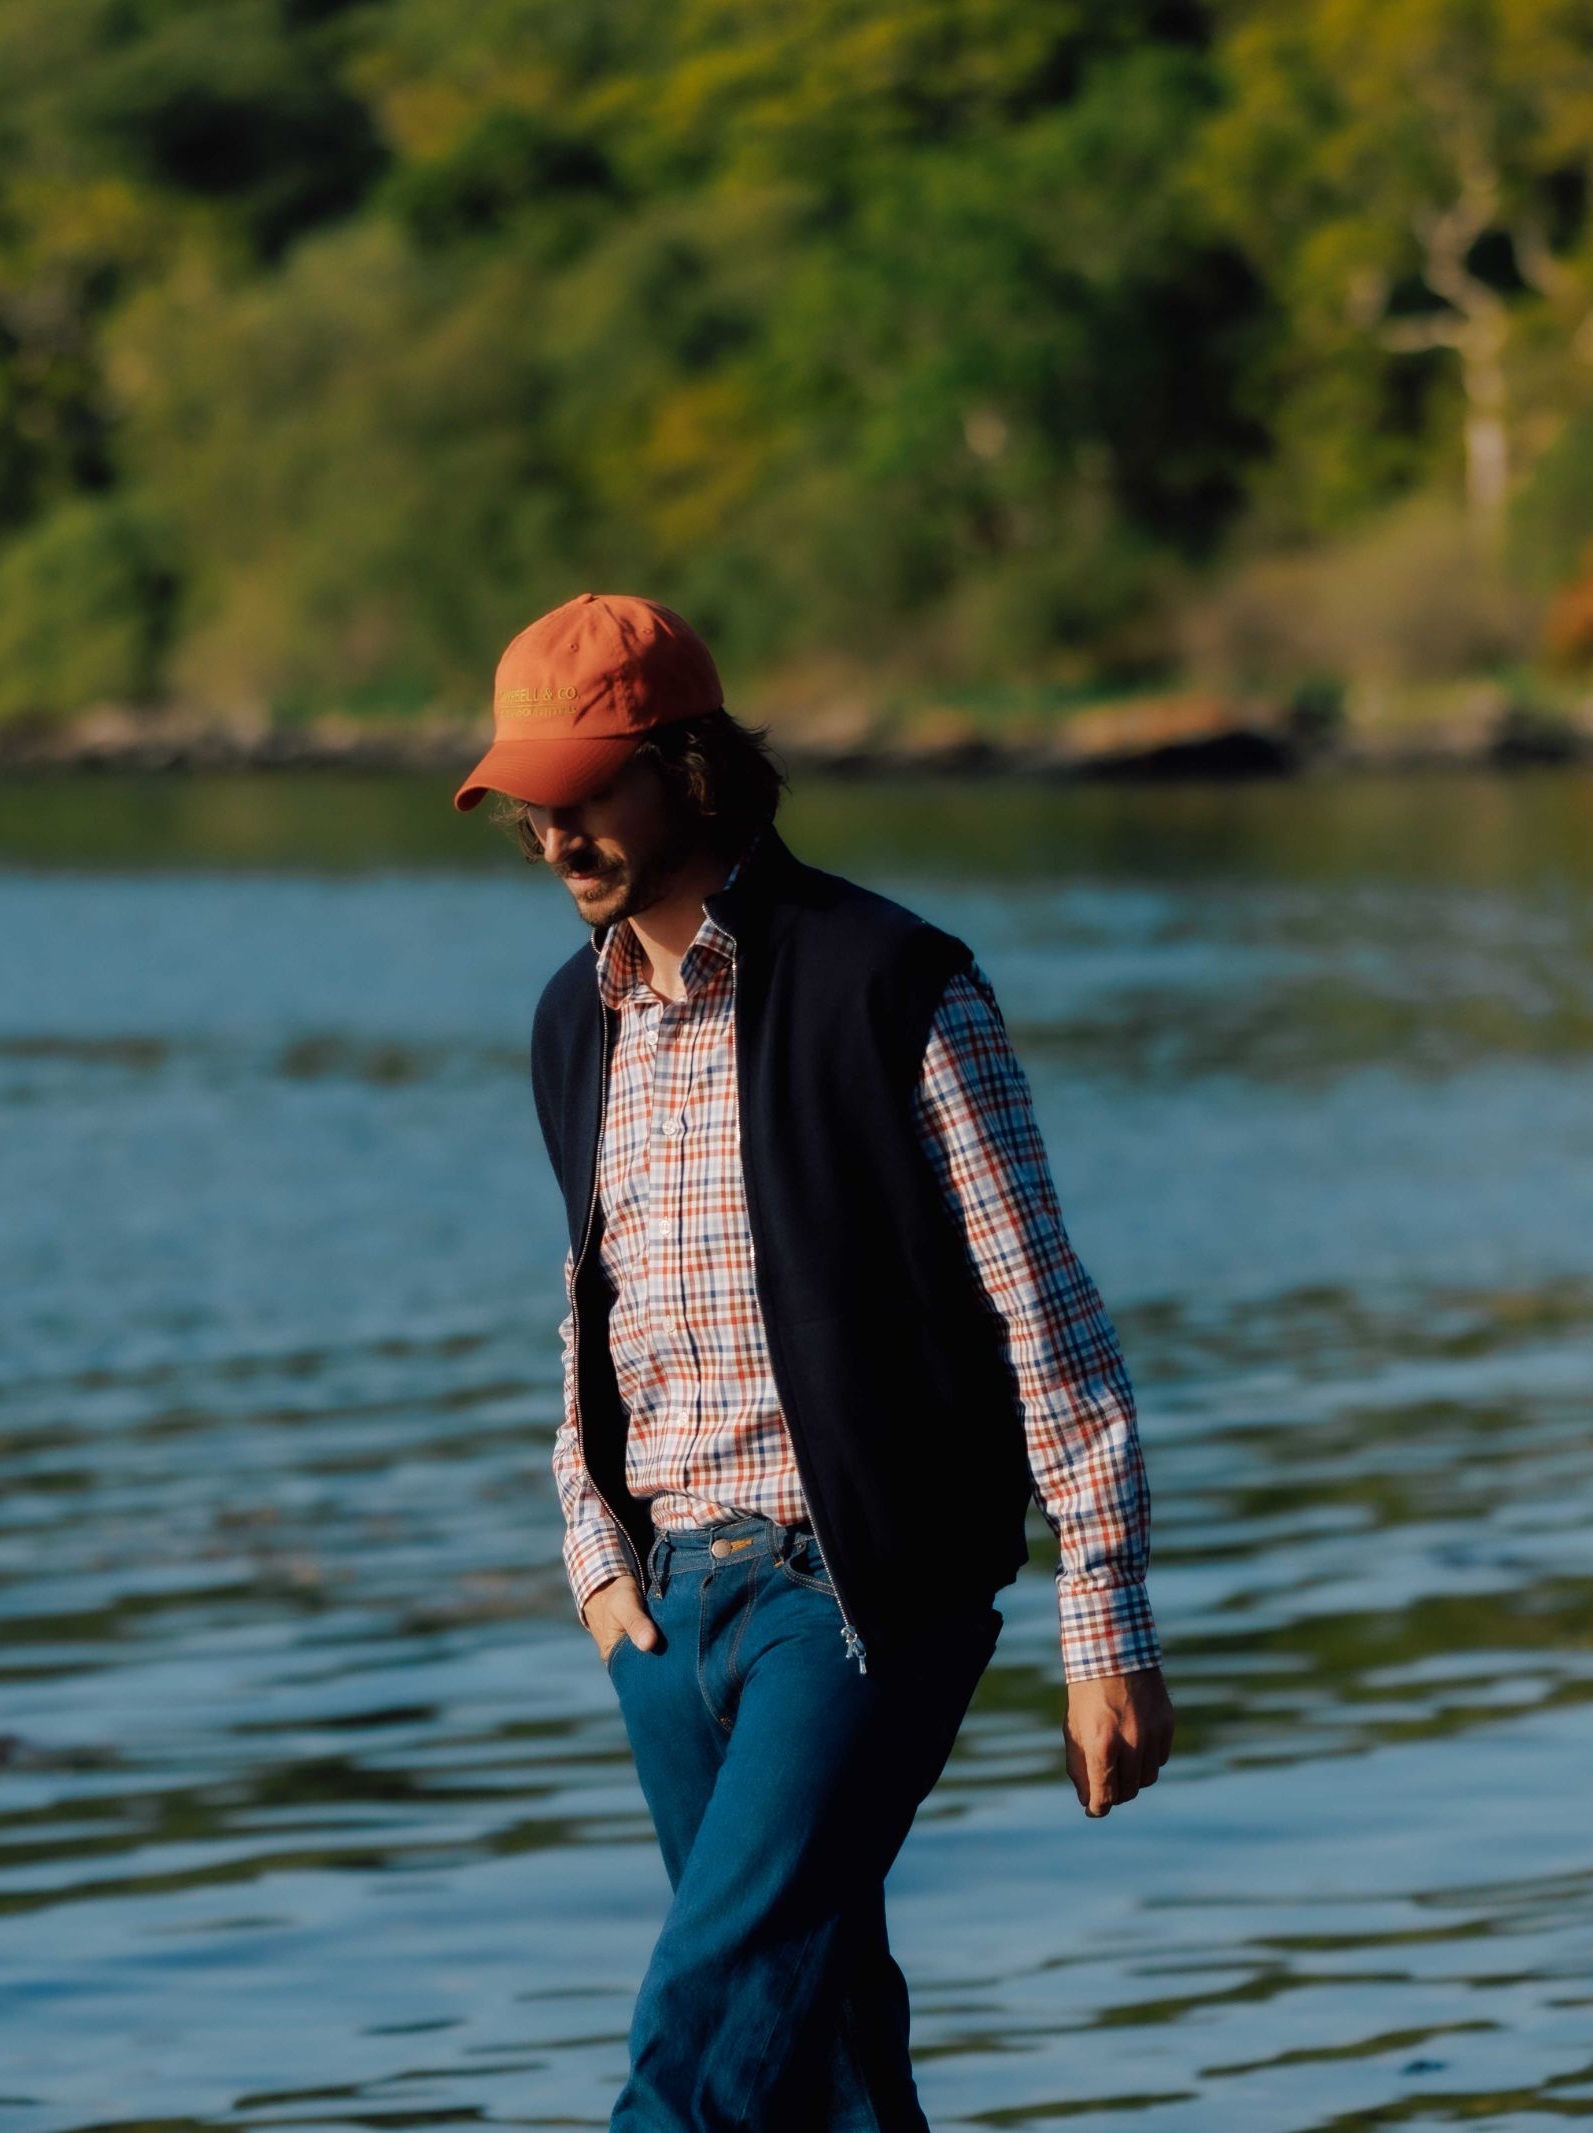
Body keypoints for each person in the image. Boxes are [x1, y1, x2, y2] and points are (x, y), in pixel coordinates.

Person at [454, 591, 1175, 2132]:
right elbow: (594, 1304)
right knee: (823, 2054)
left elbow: (1047, 1312)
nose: (556, 830)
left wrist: (1103, 1623)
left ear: (691, 768)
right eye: (530, 800)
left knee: (695, 2050)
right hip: (665, 1617)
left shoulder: (895, 982)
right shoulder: (569, 1024)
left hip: (852, 1604)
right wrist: (594, 1554)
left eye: (586, 788)